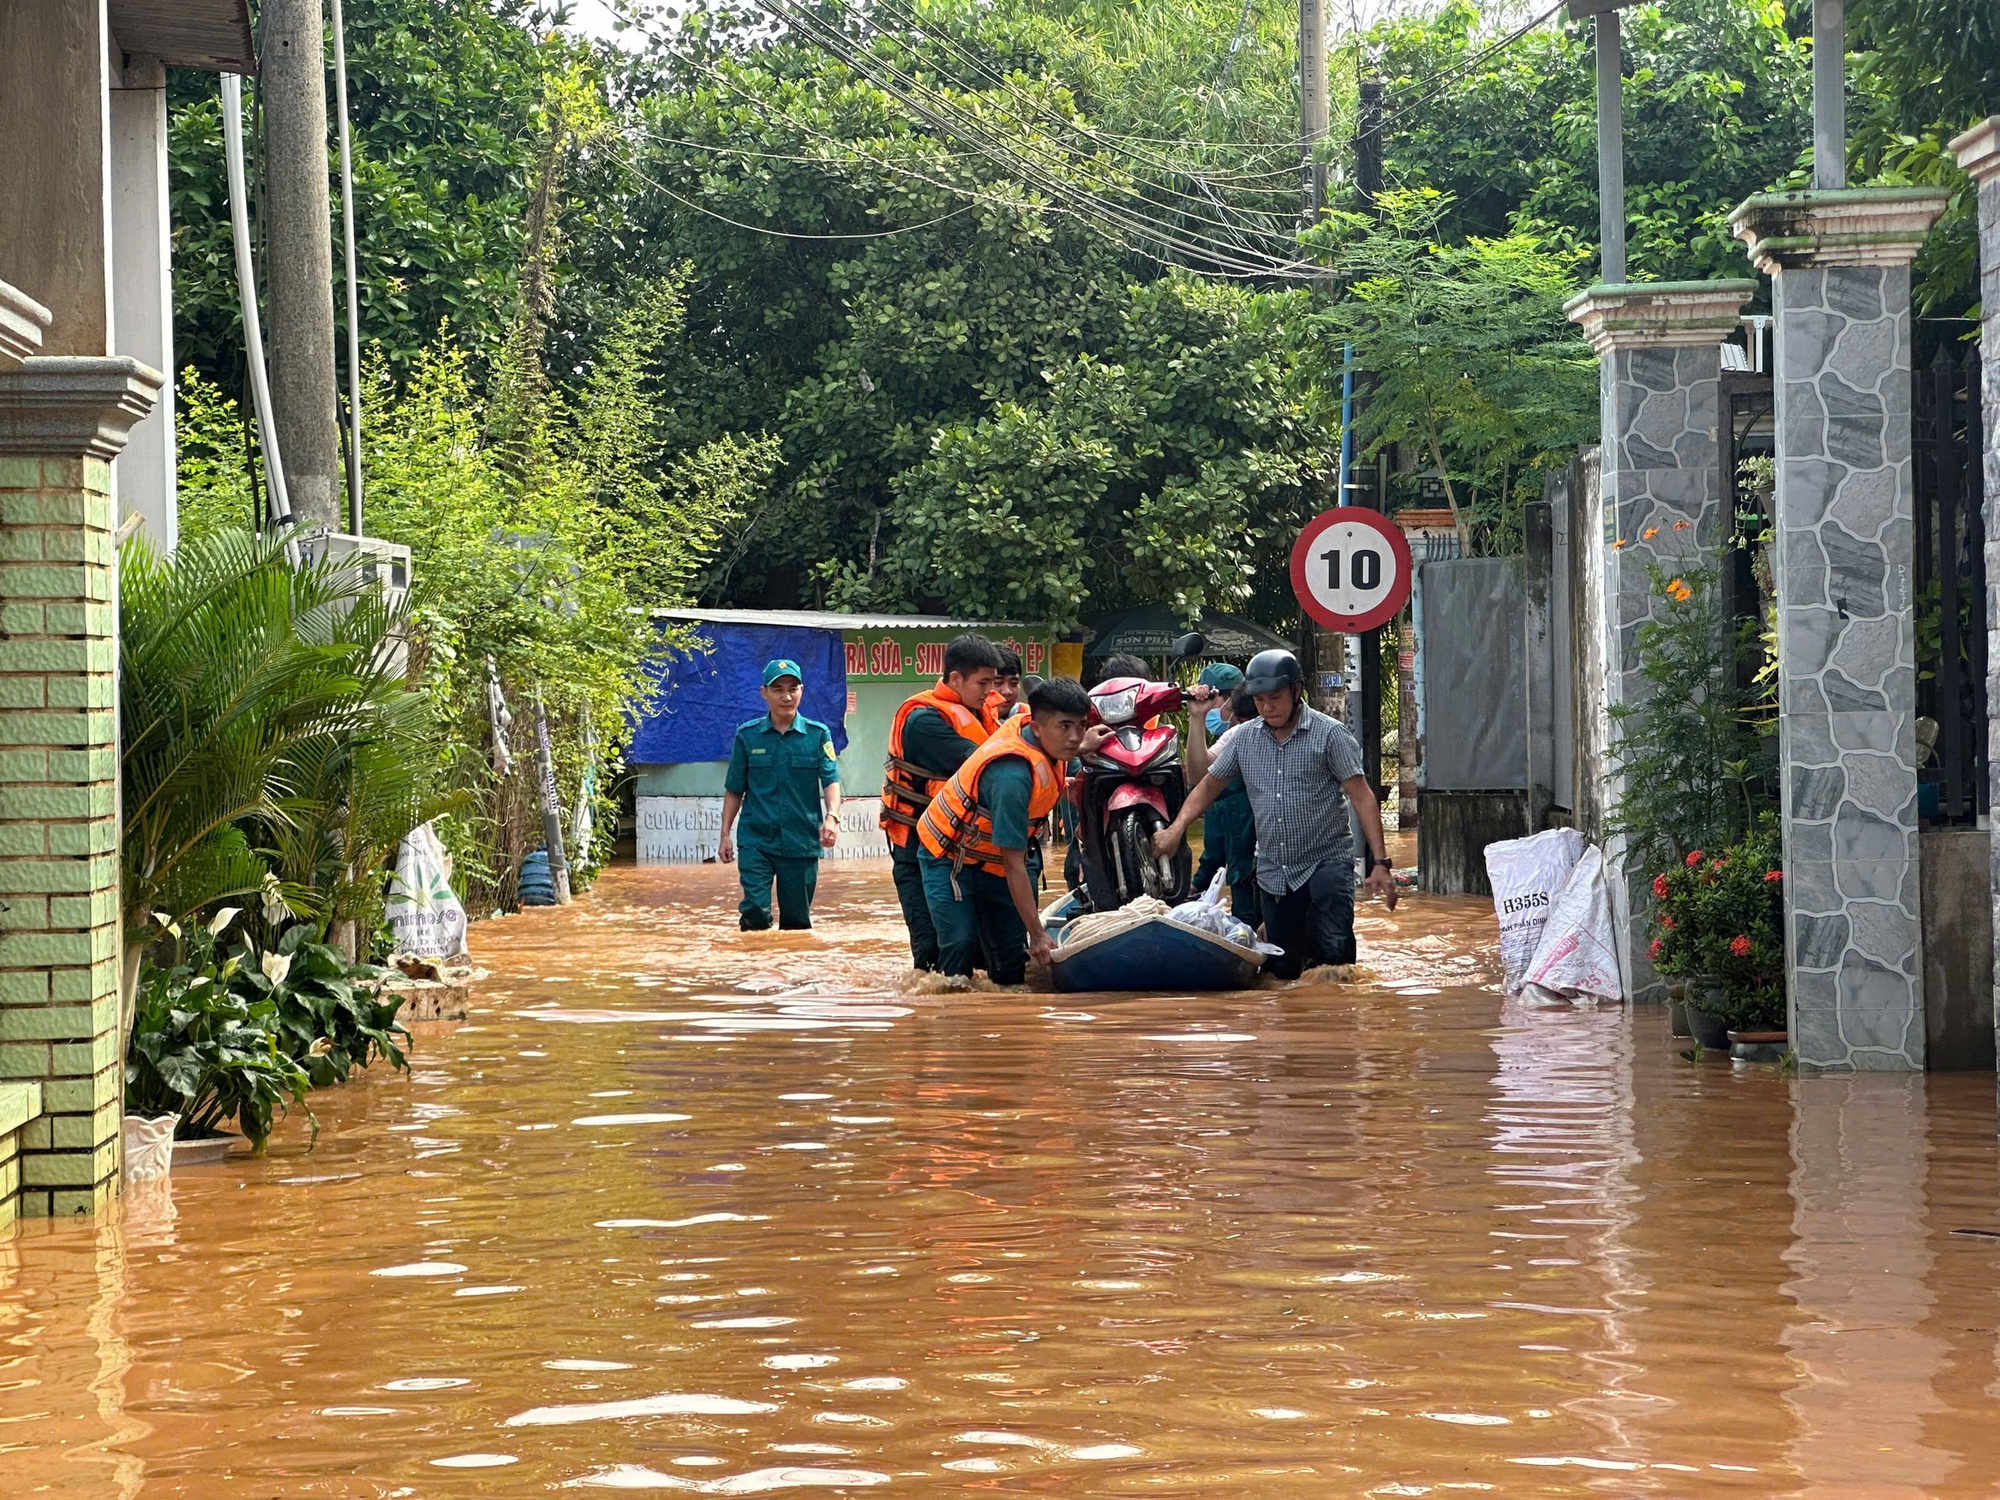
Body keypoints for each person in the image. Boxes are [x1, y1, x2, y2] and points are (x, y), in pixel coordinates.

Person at [1152, 648, 1394, 979]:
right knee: (1282, 971)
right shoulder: (1244, 739)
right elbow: (1207, 786)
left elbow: (1362, 796)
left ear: (1296, 691)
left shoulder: (1329, 734)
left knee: (1335, 963)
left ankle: (1339, 1025)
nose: (1267, 707)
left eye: (1275, 698)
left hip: (1326, 863)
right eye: (1261, 700)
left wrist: (1381, 863)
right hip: (1274, 873)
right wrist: (1176, 830)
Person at [917, 677, 1110, 984]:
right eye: (1064, 727)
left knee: (1010, 962)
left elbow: (1057, 756)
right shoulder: (1012, 777)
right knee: (959, 946)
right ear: (1037, 728)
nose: (1075, 737)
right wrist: (1038, 934)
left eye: (1081, 726)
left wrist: (1083, 745)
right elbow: (1014, 863)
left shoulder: (1044, 739)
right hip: (950, 856)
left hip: (992, 859)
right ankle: (950, 1018)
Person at [879, 634, 1001, 968]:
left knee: (978, 951)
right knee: (931, 951)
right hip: (917, 852)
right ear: (955, 678)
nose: (990, 691)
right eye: (983, 682)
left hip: (961, 851)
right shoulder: (925, 722)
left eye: (993, 682)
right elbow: (982, 764)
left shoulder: (979, 713)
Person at [720, 659, 842, 931]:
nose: (786, 696)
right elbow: (734, 788)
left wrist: (832, 817)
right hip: (756, 841)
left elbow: (831, 780)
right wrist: (725, 834)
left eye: (793, 688)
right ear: (764, 693)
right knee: (754, 913)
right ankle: (754, 970)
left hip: (801, 841)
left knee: (796, 924)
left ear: (802, 690)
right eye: (778, 689)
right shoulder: (748, 736)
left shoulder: (817, 734)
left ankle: (790, 971)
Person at [1185, 666, 1260, 926]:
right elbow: (1199, 778)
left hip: (1261, 867)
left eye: (1211, 698)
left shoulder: (1243, 733)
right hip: (1246, 871)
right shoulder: (1234, 738)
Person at [982, 647, 1026, 733]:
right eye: (998, 682)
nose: (1007, 691)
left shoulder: (1030, 719)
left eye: (1013, 683)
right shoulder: (966, 719)